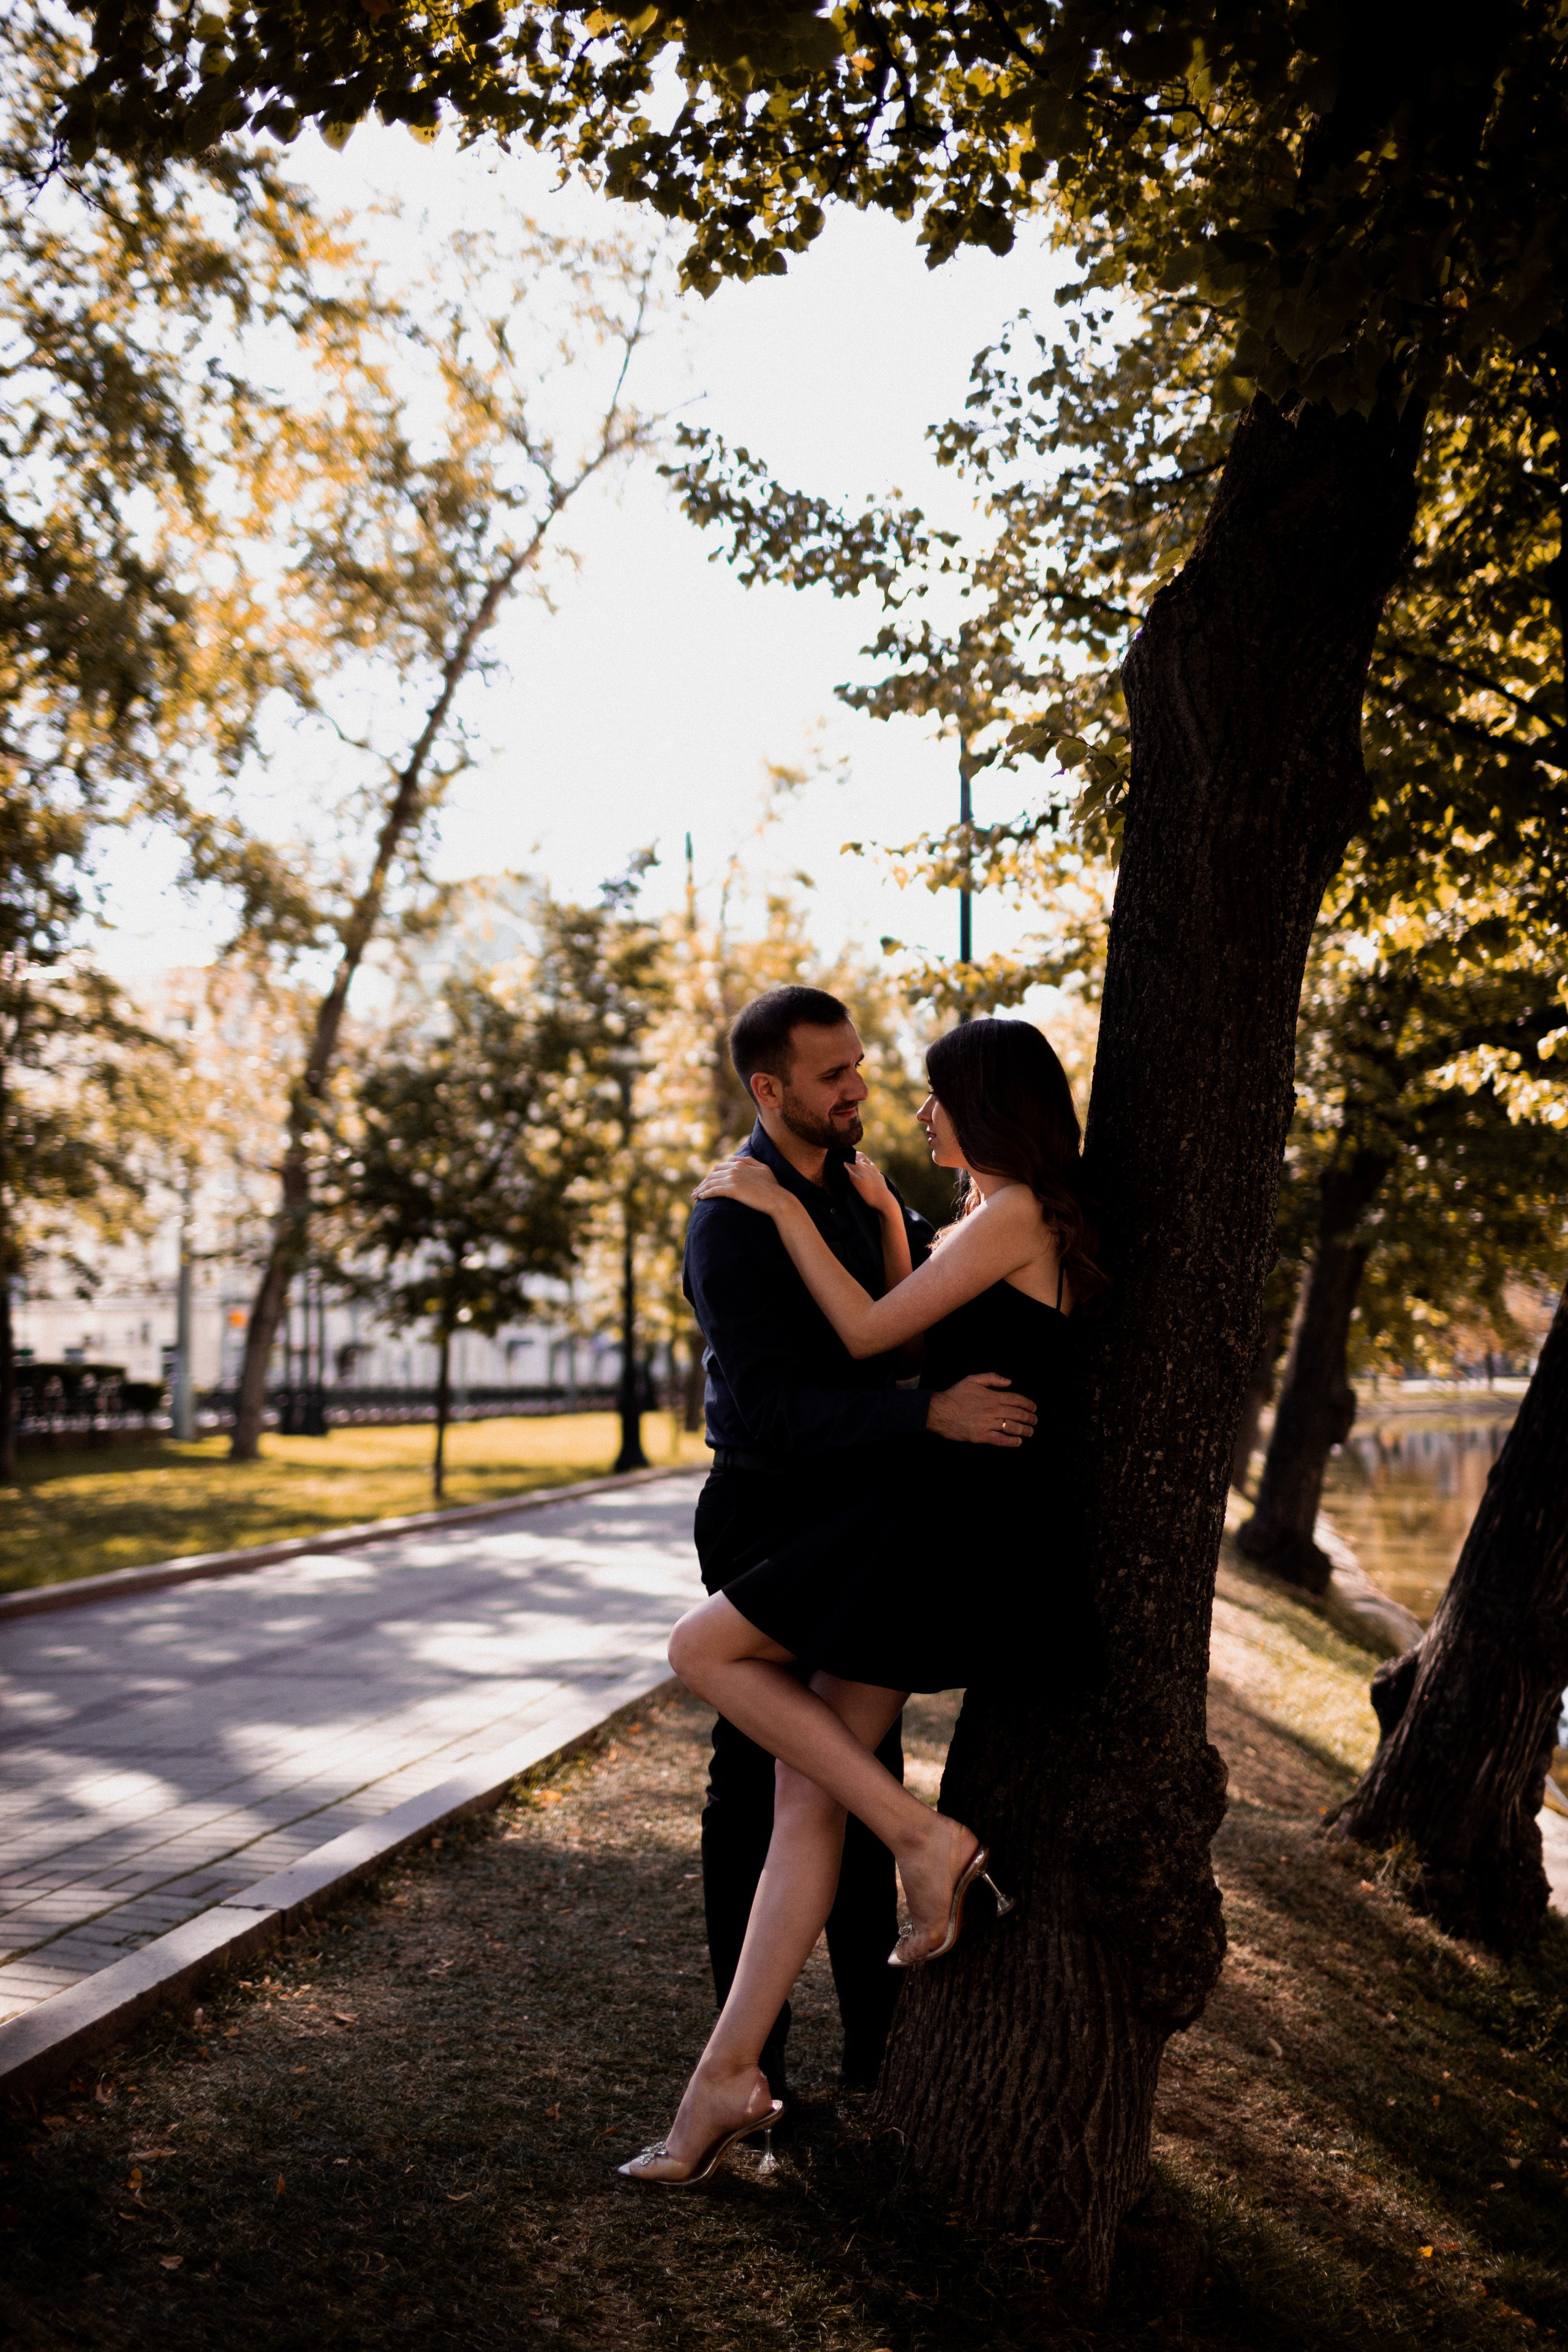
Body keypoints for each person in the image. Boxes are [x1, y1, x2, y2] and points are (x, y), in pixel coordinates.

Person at [620, 1015, 1105, 2186]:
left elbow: (870, 1332)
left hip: (935, 1529)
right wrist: (889, 1223)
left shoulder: (1017, 1213)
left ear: (984, 1107)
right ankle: (724, 2087)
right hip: (932, 1517)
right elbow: (917, 1349)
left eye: (935, 1095)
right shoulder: (1003, 1220)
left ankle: (924, 1837)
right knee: (801, 1802)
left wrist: (786, 1210)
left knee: (701, 1650)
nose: (913, 1111)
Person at [679, 987, 1041, 2110]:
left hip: (862, 1519)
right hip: (773, 1514)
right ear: (769, 1089)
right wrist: (921, 1415)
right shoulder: (735, 1219)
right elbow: (779, 1411)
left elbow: (899, 1330)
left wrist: (887, 1231)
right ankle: (764, 2070)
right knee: (757, 1795)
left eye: (859, 1067)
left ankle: (875, 2055)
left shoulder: (861, 1188)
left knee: (839, 1779)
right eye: (832, 1076)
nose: (858, 1090)